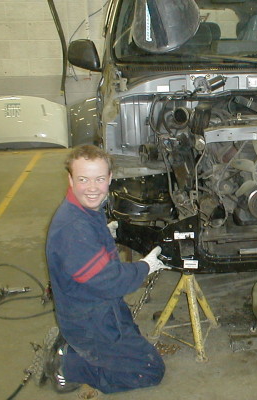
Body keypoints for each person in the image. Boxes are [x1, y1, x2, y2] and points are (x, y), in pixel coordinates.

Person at [44, 145, 167, 394]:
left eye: (99, 179)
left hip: (99, 306)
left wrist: (103, 234)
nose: (92, 188)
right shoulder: (72, 228)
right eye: (83, 179)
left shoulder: (85, 208)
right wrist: (146, 267)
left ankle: (78, 350)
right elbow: (110, 281)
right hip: (89, 320)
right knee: (150, 370)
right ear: (70, 179)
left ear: (110, 178)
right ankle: (68, 365)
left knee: (131, 334)